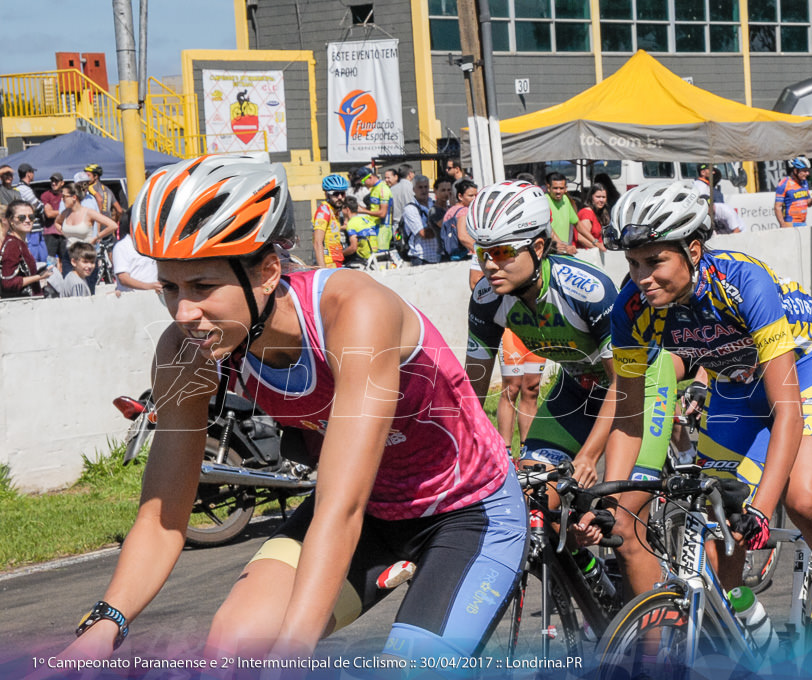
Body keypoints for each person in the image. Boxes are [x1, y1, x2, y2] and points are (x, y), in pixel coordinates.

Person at [55, 154, 526, 665]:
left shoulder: (352, 312)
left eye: (203, 287)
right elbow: (166, 514)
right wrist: (105, 622)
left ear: (268, 271)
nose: (183, 313)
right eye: (169, 287)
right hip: (370, 512)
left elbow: (340, 506)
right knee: (234, 649)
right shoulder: (184, 350)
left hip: (466, 512)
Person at [597, 180, 812, 639]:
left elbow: (788, 412)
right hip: (734, 384)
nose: (642, 277)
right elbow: (628, 415)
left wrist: (762, 509)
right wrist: (613, 499)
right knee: (714, 525)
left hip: (804, 367)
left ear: (695, 249)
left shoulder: (743, 282)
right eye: (634, 262)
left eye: (656, 260)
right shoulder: (631, 307)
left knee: (801, 499)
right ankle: (749, 632)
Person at [464, 181, 679, 554]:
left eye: (500, 252)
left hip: (636, 387)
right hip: (576, 389)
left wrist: (590, 455)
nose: (488, 265)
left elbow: (620, 381)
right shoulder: (486, 298)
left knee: (621, 524)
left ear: (537, 246)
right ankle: (592, 584)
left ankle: (658, 608)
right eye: (483, 252)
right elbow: (470, 392)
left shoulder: (586, 289)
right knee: (530, 501)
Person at [55, 182, 118, 292]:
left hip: (86, 257)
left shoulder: (88, 212)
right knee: (70, 288)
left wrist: (96, 237)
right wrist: (65, 233)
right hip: (69, 256)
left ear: (74, 197)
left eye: (64, 196)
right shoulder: (65, 213)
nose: (62, 199)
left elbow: (112, 225)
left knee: (87, 290)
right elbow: (57, 223)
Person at [1, 200, 52, 298]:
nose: (28, 220)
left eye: (31, 217)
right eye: (21, 217)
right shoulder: (13, 245)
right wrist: (39, 277)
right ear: (11, 221)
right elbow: (8, 283)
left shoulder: (20, 242)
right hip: (21, 306)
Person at [312, 174, 356, 268]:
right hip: (328, 263)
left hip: (337, 261)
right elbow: (317, 242)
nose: (340, 197)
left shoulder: (334, 211)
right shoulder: (324, 211)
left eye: (342, 193)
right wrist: (323, 270)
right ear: (327, 194)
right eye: (336, 194)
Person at [13, 163, 51, 264]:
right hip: (32, 229)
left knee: (42, 258)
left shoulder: (22, 188)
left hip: (35, 228)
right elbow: (38, 206)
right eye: (32, 172)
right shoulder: (24, 189)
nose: (34, 175)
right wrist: (44, 207)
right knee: (34, 258)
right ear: (28, 174)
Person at [774, 156, 812, 228]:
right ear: (796, 171)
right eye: (805, 171)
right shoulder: (784, 183)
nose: (807, 173)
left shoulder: (804, 182)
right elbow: (777, 207)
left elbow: (808, 203)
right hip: (790, 223)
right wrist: (782, 224)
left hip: (803, 223)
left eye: (808, 171)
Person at [545, 172, 579, 254]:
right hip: (550, 252)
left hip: (563, 251)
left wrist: (594, 241)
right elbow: (547, 227)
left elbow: (577, 223)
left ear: (565, 189)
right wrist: (564, 246)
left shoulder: (565, 199)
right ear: (548, 188)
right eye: (555, 188)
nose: (558, 191)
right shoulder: (544, 201)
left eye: (561, 188)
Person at [82, 163, 123, 229]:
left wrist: (99, 218)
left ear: (96, 176)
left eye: (88, 175)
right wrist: (115, 222)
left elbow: (99, 199)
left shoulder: (90, 187)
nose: (86, 178)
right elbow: (119, 210)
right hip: (108, 226)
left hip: (96, 226)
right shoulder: (108, 190)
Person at [40, 173, 67, 260]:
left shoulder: (66, 195)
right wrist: (65, 211)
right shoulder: (46, 195)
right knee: (50, 260)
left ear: (62, 183)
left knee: (66, 260)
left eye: (56, 181)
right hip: (50, 233)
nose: (53, 183)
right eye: (52, 181)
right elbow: (49, 214)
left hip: (65, 233)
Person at [576, 184, 609, 251]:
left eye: (603, 197)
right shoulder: (587, 213)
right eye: (598, 197)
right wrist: (596, 248)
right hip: (585, 254)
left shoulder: (600, 213)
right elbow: (581, 237)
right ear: (591, 197)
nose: (601, 200)